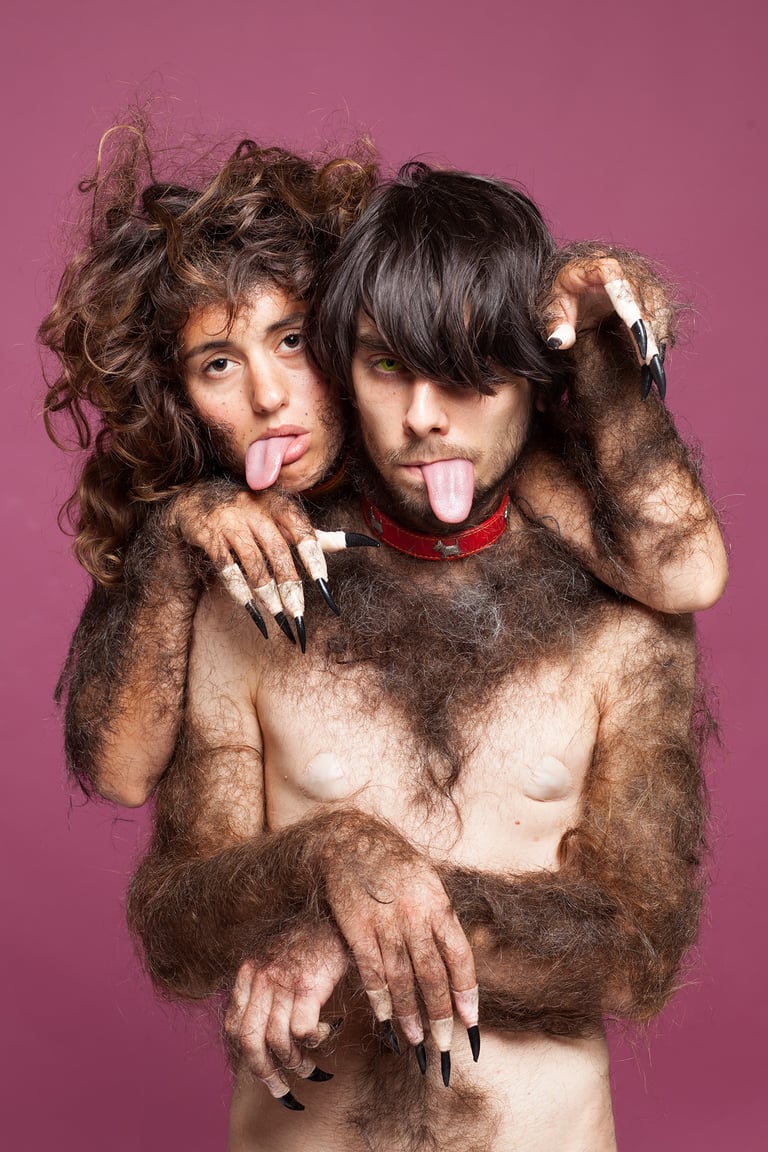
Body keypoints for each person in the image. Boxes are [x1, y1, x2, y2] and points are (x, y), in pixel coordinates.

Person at [126, 165, 715, 1152]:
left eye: (473, 372)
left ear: (537, 379)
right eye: (388, 365)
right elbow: (178, 934)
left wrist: (368, 922)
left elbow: (640, 951)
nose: (425, 416)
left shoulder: (627, 620)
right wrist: (329, 857)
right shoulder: (255, 599)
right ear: (340, 365)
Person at [40, 133, 726, 809]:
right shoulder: (190, 492)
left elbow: (687, 574)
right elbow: (121, 774)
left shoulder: (464, 446)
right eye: (218, 363)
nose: (268, 397)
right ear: (177, 396)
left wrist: (595, 341)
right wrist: (181, 527)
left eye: (292, 340)